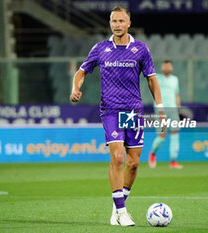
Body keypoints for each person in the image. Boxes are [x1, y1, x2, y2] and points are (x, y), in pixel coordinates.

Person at [70, 6, 165, 226]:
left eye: (121, 21)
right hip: (110, 110)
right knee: (118, 158)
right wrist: (75, 87)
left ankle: (117, 206)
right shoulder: (101, 48)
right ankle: (122, 212)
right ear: (110, 23)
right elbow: (81, 71)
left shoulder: (140, 49)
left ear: (129, 23)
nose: (117, 25)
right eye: (114, 21)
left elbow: (151, 79)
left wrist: (160, 108)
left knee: (133, 164)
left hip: (134, 111)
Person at [148, 60, 183, 169]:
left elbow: (176, 94)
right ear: (162, 67)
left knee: (175, 134)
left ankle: (173, 161)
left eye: (169, 65)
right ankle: (153, 153)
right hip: (161, 110)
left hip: (173, 110)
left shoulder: (175, 79)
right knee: (162, 136)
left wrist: (178, 108)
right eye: (165, 65)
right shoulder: (157, 78)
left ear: (171, 67)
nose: (167, 67)